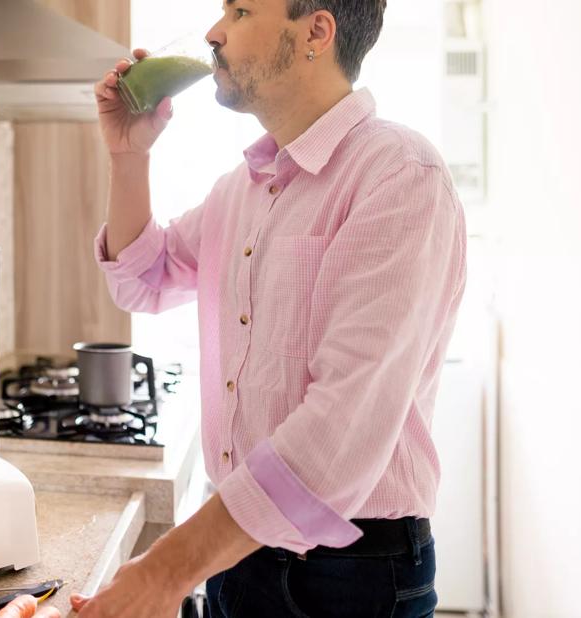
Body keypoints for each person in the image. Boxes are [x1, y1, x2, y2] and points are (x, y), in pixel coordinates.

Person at [72, 0, 466, 616]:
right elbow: (141, 280)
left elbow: (335, 439)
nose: (213, 31)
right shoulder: (244, 190)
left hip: (350, 577)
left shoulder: (398, 175)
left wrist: (166, 571)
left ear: (315, 31)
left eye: (240, 10)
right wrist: (129, 156)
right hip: (236, 556)